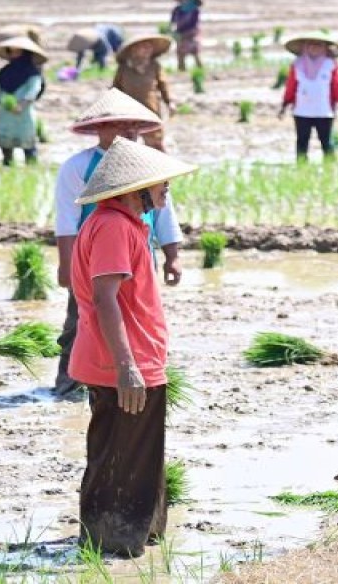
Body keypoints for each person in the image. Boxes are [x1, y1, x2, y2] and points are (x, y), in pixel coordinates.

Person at [69, 137, 197, 556]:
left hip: (135, 359)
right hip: (122, 364)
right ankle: (114, 541)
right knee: (120, 455)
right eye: (160, 184)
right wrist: (127, 366)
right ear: (132, 190)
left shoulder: (124, 225)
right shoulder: (112, 226)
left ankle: (141, 533)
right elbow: (105, 297)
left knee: (139, 454)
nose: (166, 191)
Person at [52, 88, 183, 398]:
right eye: (121, 125)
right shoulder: (78, 166)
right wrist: (66, 265)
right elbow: (67, 219)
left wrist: (172, 255)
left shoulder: (149, 166)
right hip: (98, 261)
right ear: (100, 128)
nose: (130, 132)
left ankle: (128, 374)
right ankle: (69, 385)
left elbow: (166, 213)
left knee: (136, 320)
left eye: (134, 126)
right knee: (82, 322)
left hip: (137, 258)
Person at [279, 33, 338, 160]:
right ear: (305, 47)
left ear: (325, 48)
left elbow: (337, 86)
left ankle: (330, 169)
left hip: (324, 111)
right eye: (310, 44)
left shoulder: (331, 65)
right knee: (302, 142)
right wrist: (285, 103)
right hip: (301, 111)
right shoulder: (297, 64)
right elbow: (291, 86)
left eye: (318, 44)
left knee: (326, 142)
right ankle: (301, 169)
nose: (314, 47)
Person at [0, 35, 47, 166]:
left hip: (23, 113)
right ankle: (7, 162)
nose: (13, 54)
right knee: (5, 140)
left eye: (17, 51)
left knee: (27, 140)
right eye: (11, 51)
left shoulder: (33, 73)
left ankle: (32, 165)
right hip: (5, 112)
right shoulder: (4, 72)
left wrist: (22, 104)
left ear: (25, 53)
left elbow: (34, 90)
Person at [112, 34, 175, 142]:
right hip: (128, 111)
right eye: (144, 47)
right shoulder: (124, 68)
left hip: (150, 109)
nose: (148, 50)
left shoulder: (154, 66)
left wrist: (169, 102)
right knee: (128, 143)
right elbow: (115, 88)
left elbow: (163, 84)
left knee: (155, 142)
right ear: (134, 50)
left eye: (150, 47)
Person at [170, 0, 203, 72]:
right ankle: (182, 71)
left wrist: (189, 33)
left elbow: (194, 23)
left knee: (195, 53)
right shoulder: (177, 10)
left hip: (192, 34)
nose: (184, 0)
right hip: (180, 34)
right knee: (180, 54)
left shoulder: (195, 10)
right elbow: (172, 22)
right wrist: (173, 31)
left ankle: (201, 70)